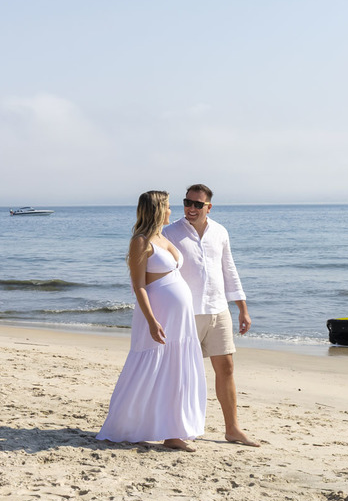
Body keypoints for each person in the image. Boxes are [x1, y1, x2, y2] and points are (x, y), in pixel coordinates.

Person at [97, 190, 207, 451]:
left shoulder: (163, 238)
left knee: (176, 371)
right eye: (167, 206)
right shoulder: (141, 241)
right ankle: (125, 426)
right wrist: (151, 320)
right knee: (147, 371)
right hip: (158, 316)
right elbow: (139, 286)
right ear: (157, 210)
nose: (171, 210)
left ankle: (173, 433)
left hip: (180, 321)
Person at [165, 184, 259, 447]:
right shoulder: (170, 233)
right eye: (187, 202)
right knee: (182, 373)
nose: (191, 208)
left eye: (198, 204)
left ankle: (232, 429)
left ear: (209, 207)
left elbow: (229, 270)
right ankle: (173, 432)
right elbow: (160, 273)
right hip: (186, 313)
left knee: (226, 368)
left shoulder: (220, 232)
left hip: (218, 309)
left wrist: (242, 308)